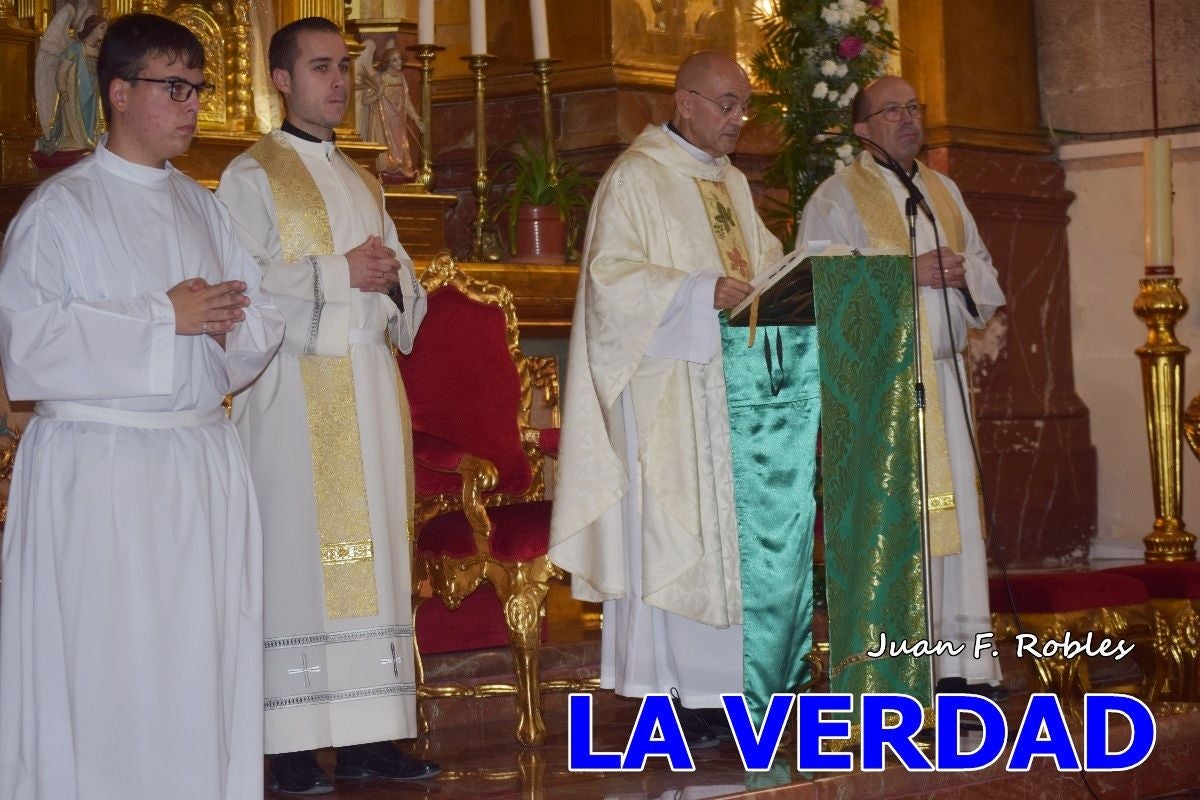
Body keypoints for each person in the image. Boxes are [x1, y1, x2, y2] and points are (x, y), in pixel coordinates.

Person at [0, 13, 284, 800]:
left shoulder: (204, 207)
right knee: (108, 660)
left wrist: (234, 324)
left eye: (199, 88)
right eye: (175, 87)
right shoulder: (59, 211)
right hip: (102, 470)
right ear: (120, 93)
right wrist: (166, 317)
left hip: (195, 461)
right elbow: (28, 346)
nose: (192, 104)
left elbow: (253, 320)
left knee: (194, 656)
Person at [549, 51, 821, 743]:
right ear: (685, 101)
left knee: (731, 548)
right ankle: (669, 696)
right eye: (726, 103)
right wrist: (697, 293)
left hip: (733, 399)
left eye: (744, 105)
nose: (738, 119)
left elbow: (764, 269)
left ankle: (729, 693)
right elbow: (610, 282)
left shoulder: (730, 184)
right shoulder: (636, 178)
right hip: (669, 399)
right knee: (676, 538)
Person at [215, 16, 436, 795]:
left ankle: (373, 735)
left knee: (371, 565)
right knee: (298, 564)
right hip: (291, 401)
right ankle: (288, 744)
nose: (339, 82)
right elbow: (240, 290)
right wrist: (340, 271)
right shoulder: (250, 176)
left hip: (367, 395)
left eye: (343, 67)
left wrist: (392, 280)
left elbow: (404, 281)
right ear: (280, 79)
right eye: (320, 67)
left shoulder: (362, 177)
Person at [796, 75, 1007, 698]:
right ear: (862, 129)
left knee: (957, 528)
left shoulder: (942, 191)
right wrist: (904, 274)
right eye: (892, 110)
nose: (908, 119)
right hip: (880, 398)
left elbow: (986, 270)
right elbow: (814, 283)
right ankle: (891, 674)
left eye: (914, 108)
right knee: (898, 530)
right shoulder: (837, 197)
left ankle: (961, 668)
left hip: (943, 382)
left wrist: (962, 272)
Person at [37, 13, 106, 155]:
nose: (104, 31)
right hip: (75, 95)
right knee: (75, 124)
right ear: (92, 29)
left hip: (93, 95)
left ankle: (88, 141)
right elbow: (61, 72)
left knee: (91, 121)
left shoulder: (99, 51)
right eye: (102, 27)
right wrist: (63, 91)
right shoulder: (76, 48)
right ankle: (75, 141)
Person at [358, 46, 423, 180]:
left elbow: (407, 102)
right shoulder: (379, 78)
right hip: (383, 119)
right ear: (387, 62)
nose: (399, 62)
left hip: (398, 119)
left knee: (400, 147)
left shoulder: (402, 78)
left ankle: (400, 169)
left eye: (399, 59)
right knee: (385, 148)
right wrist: (378, 94)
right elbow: (365, 101)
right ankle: (386, 170)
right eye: (394, 60)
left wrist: (416, 119)